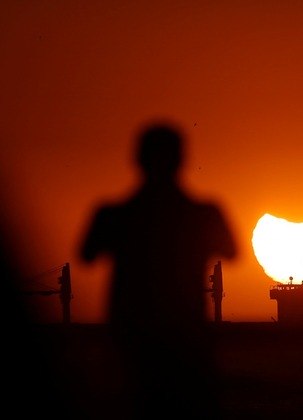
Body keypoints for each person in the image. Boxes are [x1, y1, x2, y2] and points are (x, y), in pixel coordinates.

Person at [79, 121, 237, 418]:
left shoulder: (112, 214)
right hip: (188, 346)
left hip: (132, 346)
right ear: (183, 160)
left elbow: (86, 255)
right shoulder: (204, 213)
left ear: (136, 159)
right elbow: (232, 252)